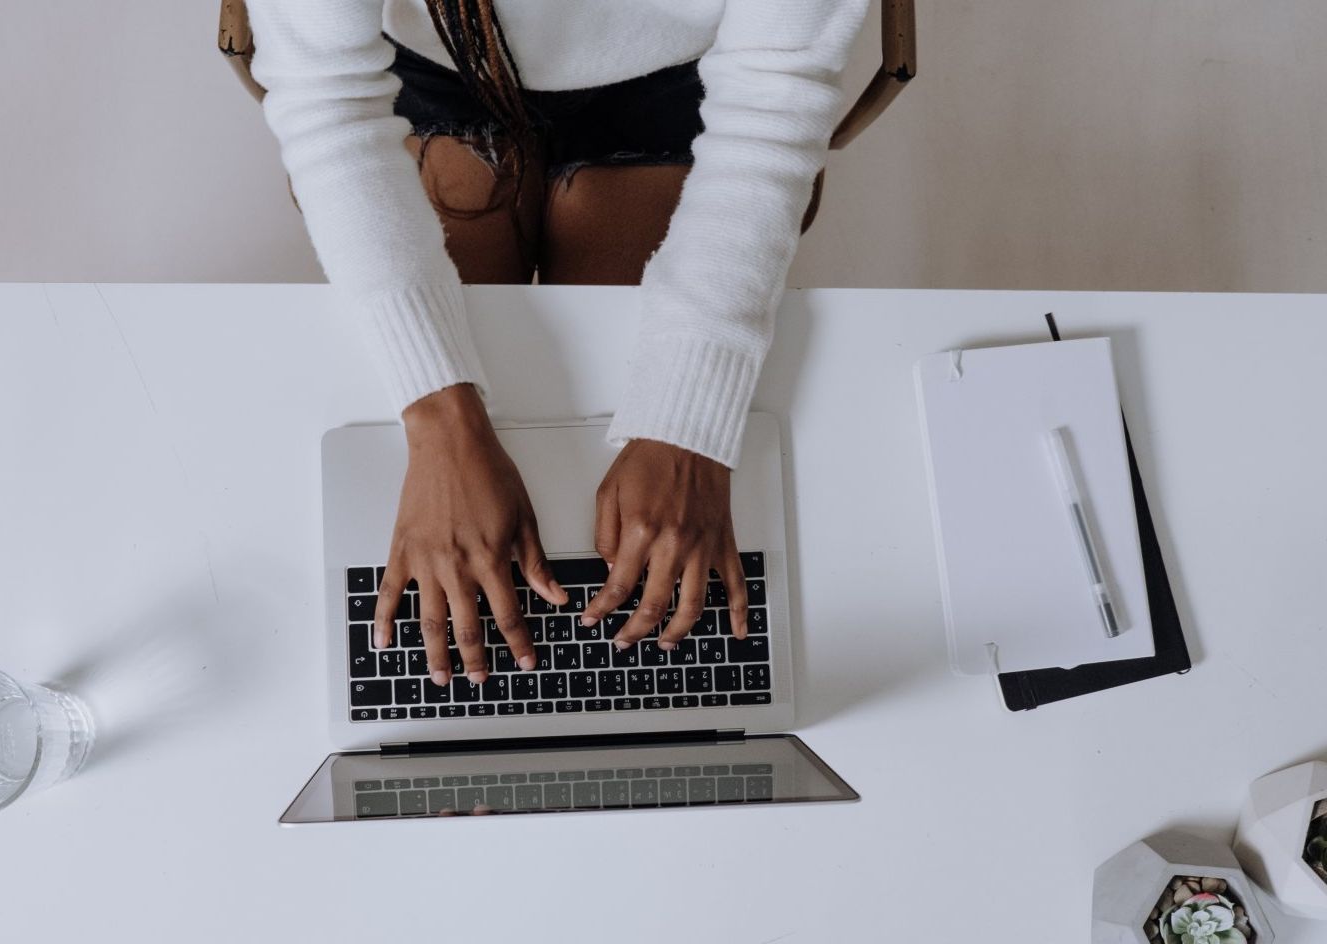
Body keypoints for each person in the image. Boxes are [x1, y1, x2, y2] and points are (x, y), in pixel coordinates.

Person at [245, 0, 870, 689]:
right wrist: (438, 417)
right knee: (450, 543)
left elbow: (775, 96)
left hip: (682, 73)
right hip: (440, 65)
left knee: (618, 539)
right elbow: (327, 97)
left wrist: (687, 427)